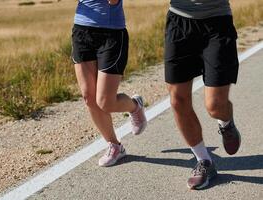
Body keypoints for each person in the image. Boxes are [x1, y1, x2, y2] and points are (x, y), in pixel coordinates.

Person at [164, 0, 241, 189]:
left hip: (217, 22)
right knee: (178, 99)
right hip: (179, 20)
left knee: (215, 105)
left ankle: (226, 122)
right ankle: (204, 161)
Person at [71, 0, 147, 167]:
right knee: (89, 97)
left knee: (105, 102)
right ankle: (115, 145)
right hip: (82, 30)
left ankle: (135, 106)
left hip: (111, 34)